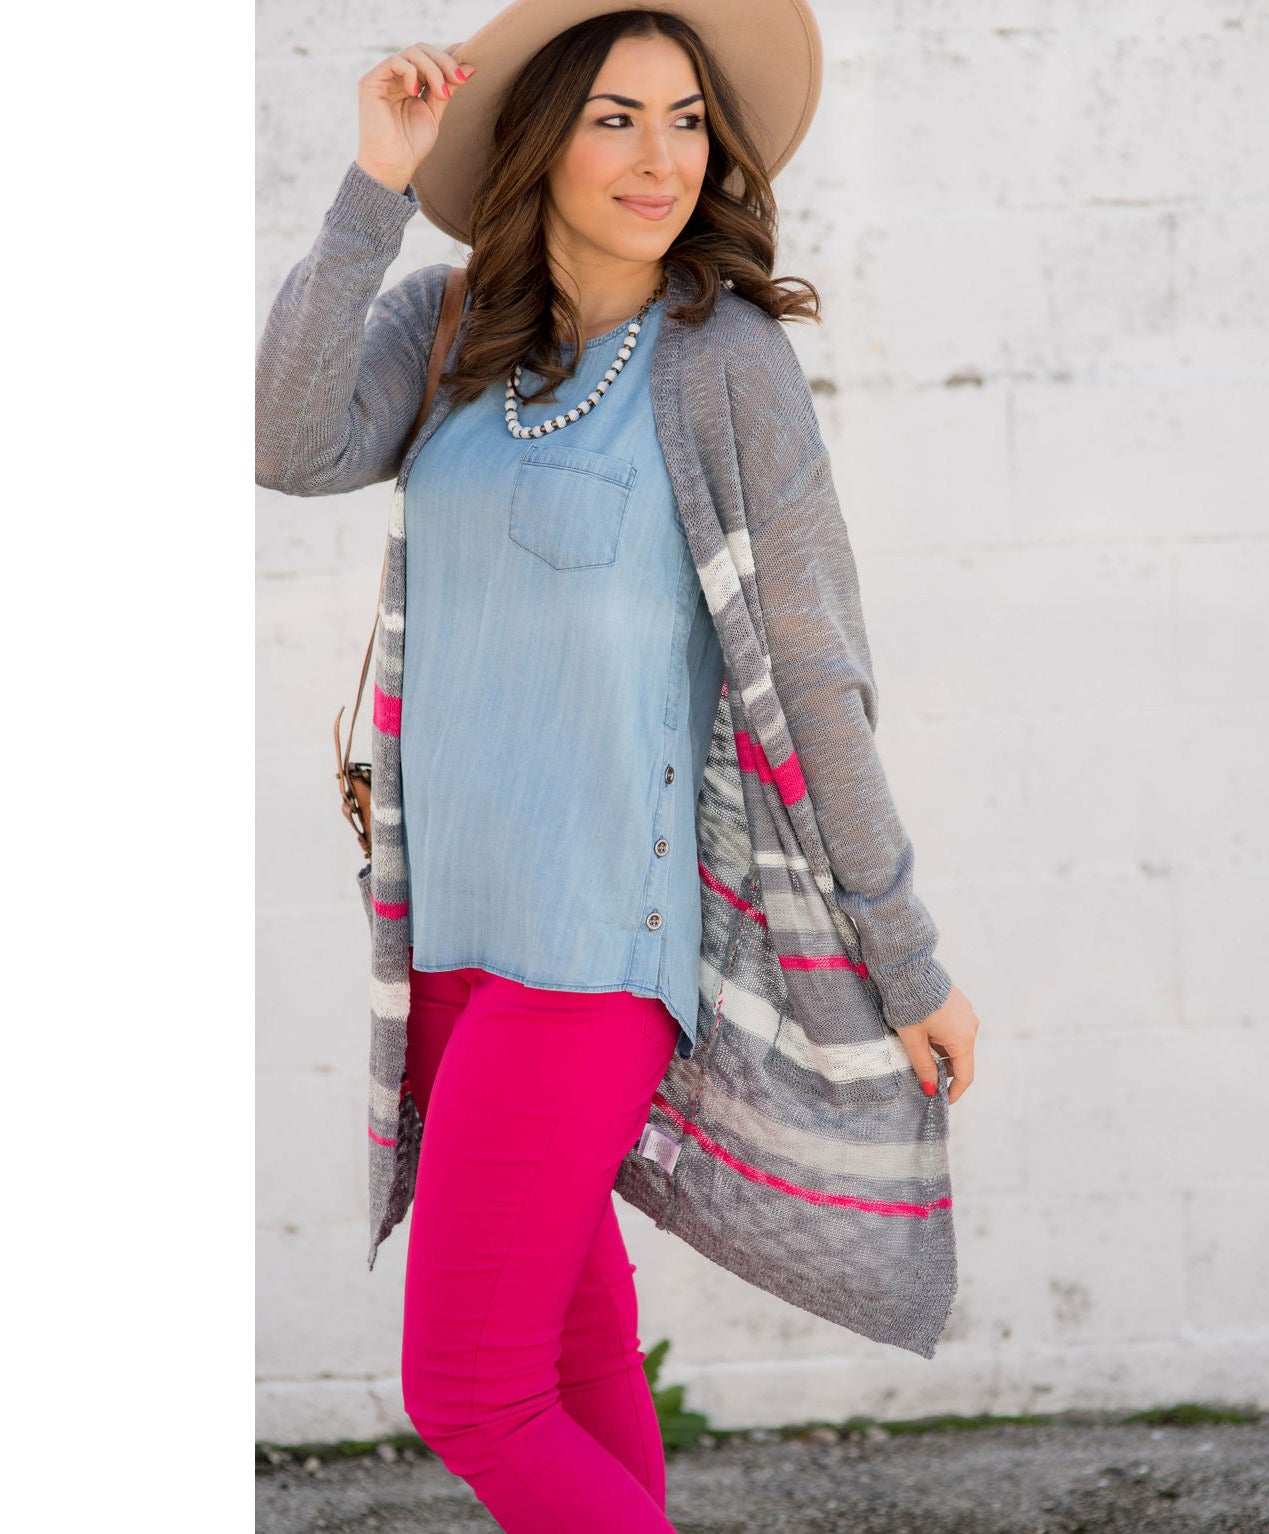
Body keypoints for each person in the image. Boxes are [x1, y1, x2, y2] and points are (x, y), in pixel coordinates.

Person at [255, 4, 980, 1529]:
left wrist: (903, 953)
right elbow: (289, 440)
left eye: (686, 121)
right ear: (539, 142)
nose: (662, 158)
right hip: (444, 947)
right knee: (569, 1366)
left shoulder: (723, 365)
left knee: (469, 1391)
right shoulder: (449, 327)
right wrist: (374, 185)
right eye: (615, 118)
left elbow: (815, 678)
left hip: (593, 962)